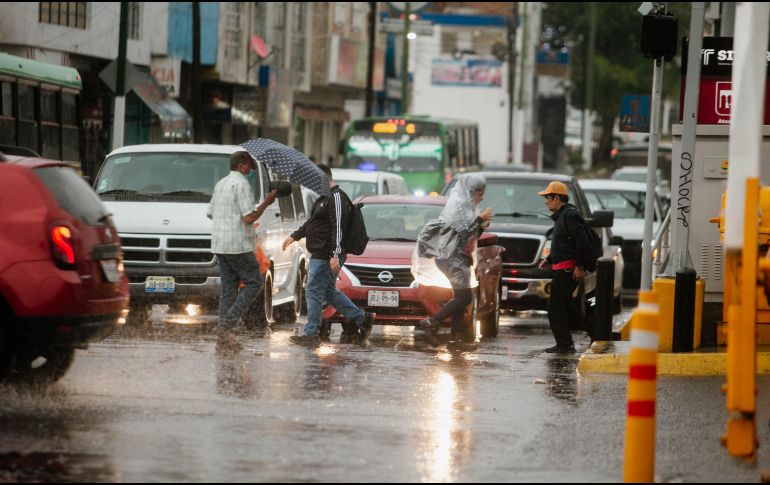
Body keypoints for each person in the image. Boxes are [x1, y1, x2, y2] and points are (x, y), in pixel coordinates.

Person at [282, 164, 375, 347]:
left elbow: (338, 228)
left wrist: (335, 254)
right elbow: (313, 222)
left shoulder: (337, 198)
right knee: (328, 292)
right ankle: (361, 318)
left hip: (327, 254)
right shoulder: (324, 198)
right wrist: (295, 235)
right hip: (321, 252)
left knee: (313, 290)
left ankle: (312, 333)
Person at [208, 151, 277, 352]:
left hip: (220, 244)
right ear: (242, 166)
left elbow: (211, 213)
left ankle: (224, 336)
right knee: (255, 282)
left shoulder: (221, 184)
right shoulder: (242, 185)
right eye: (250, 168)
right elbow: (249, 218)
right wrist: (267, 202)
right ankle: (226, 325)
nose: (251, 172)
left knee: (229, 288)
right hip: (238, 245)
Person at [414, 173, 493, 350]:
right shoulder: (460, 207)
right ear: (471, 191)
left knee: (460, 297)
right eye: (480, 192)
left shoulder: (468, 207)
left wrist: (480, 226)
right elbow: (464, 232)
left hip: (458, 257)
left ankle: (455, 339)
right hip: (452, 257)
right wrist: (480, 220)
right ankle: (433, 322)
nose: (482, 196)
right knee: (465, 297)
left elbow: (470, 236)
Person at [537, 181, 593, 354]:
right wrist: (549, 258)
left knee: (555, 307)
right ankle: (597, 333)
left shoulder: (569, 215)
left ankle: (564, 344)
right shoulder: (563, 215)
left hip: (568, 269)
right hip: (562, 267)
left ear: (556, 198)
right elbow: (564, 243)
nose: (546, 202)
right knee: (567, 307)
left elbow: (581, 241)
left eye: (548, 198)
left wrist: (580, 266)